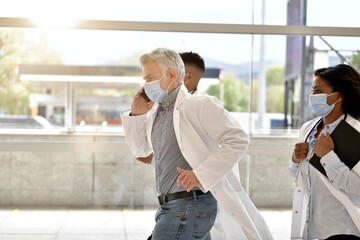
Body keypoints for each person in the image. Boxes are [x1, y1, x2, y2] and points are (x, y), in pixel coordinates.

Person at [121, 48, 272, 239]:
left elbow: (238, 139)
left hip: (189, 205)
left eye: (150, 77)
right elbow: (141, 151)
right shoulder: (156, 112)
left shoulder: (199, 104)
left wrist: (201, 175)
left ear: (171, 74)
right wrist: (137, 114)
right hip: (169, 205)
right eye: (145, 79)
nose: (146, 84)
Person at [289, 64, 360, 240]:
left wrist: (328, 157)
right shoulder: (308, 129)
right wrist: (295, 161)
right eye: (313, 91)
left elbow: (357, 188)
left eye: (318, 91)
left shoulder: (355, 132)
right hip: (312, 230)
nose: (313, 96)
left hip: (342, 230)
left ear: (339, 96)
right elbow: (300, 179)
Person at [136, 51, 205, 164]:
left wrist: (155, 159)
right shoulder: (161, 107)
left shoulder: (202, 107)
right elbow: (141, 151)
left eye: (181, 72)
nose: (178, 76)